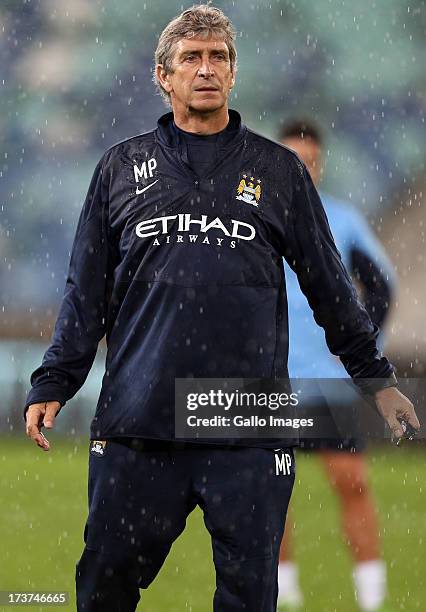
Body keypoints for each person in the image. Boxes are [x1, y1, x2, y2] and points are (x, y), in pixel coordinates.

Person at [24, 6, 419, 612]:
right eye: (192, 58)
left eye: (219, 57)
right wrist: (56, 378)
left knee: (249, 594)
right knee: (103, 585)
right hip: (142, 413)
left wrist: (376, 380)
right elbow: (86, 291)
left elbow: (332, 289)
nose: (206, 69)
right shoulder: (120, 169)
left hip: (245, 415)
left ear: (233, 72)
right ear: (163, 74)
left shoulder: (279, 172)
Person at [277, 120, 397, 612]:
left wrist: (356, 347)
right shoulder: (254, 218)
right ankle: (283, 593)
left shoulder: (341, 220)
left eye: (309, 161)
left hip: (328, 381)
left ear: (320, 165)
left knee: (351, 481)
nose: (302, 170)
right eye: (292, 161)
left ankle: (372, 594)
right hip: (270, 378)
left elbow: (381, 288)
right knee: (271, 488)